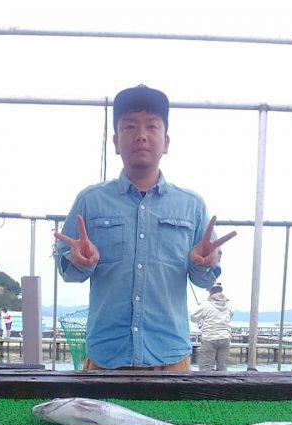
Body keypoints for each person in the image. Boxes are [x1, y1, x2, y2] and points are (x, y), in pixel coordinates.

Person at [55, 84, 236, 371]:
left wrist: (202, 265)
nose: (141, 135)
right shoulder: (90, 201)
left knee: (181, 420)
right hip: (105, 358)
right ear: (115, 141)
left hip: (172, 360)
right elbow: (69, 272)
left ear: (166, 141)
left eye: (151, 126)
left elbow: (204, 281)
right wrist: (77, 262)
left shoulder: (192, 205)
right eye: (129, 127)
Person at [190, 284, 233, 371]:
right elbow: (230, 315)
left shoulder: (205, 305)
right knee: (222, 367)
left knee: (206, 368)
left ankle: (206, 384)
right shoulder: (229, 305)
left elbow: (193, 317)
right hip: (225, 338)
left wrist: (199, 308)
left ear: (210, 291)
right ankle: (223, 384)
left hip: (209, 338)